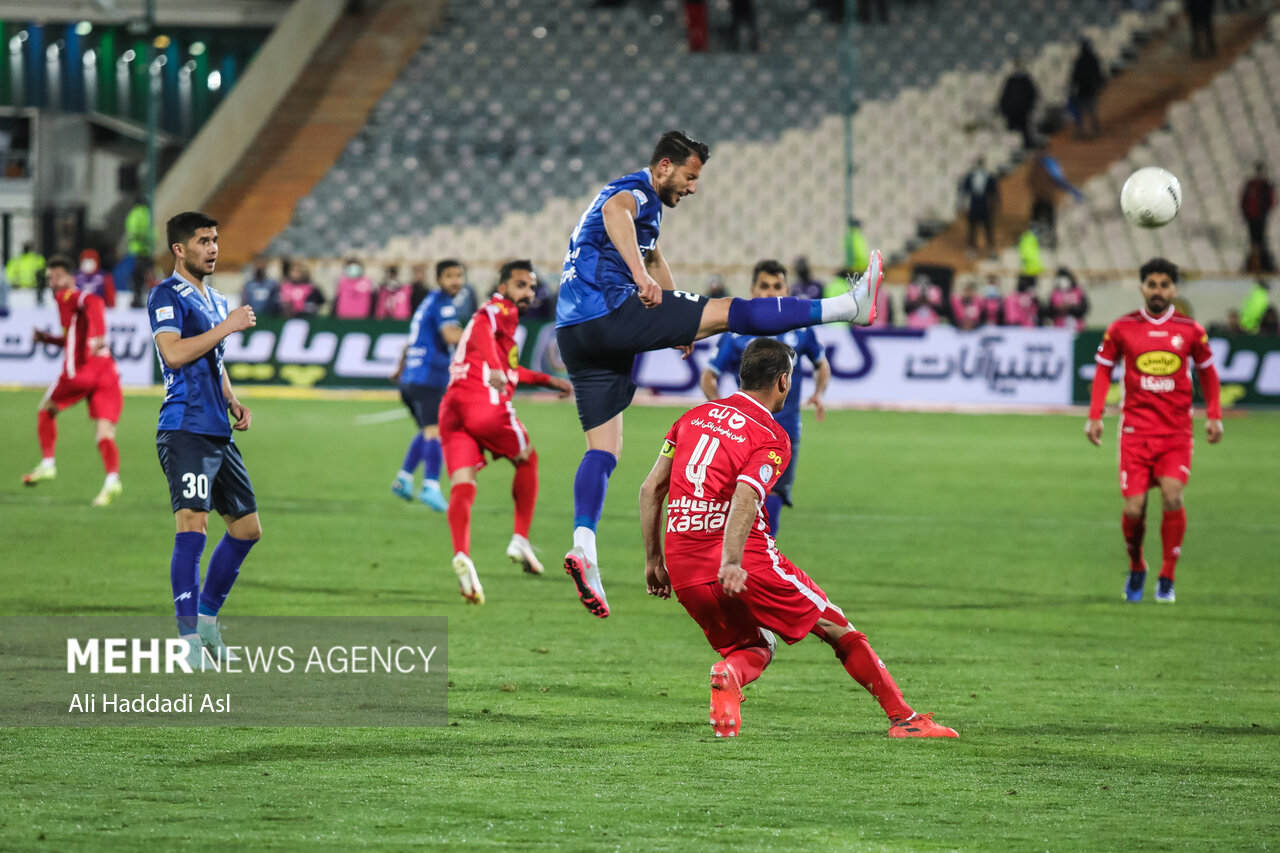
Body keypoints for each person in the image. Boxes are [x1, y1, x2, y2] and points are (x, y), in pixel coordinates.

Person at [555, 130, 883, 618]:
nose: (692, 187)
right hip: (609, 311)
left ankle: (585, 545)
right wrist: (643, 282)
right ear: (664, 166)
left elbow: (651, 253)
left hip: (573, 331)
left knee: (603, 451)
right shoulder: (635, 191)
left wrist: (671, 311)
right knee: (733, 311)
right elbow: (616, 216)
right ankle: (847, 306)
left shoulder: (648, 212)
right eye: (689, 176)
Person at [640, 337, 957, 739]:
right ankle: (905, 720)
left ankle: (729, 674)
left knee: (756, 646)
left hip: (683, 568)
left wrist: (654, 563)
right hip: (742, 562)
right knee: (838, 628)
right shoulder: (771, 436)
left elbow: (651, 488)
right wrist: (732, 561)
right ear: (784, 382)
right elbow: (745, 494)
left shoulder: (691, 418)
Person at [148, 211, 261, 664]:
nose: (212, 248)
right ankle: (188, 639)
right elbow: (173, 353)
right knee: (193, 526)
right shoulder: (165, 294)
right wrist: (228, 326)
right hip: (184, 427)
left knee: (247, 529)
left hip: (216, 427)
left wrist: (232, 399)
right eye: (202, 241)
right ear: (180, 249)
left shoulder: (214, 299)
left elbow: (213, 358)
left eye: (215, 239)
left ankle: (209, 622)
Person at [1086, 258, 1222, 604]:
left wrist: (1214, 415)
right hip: (1135, 431)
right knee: (1134, 508)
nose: (1158, 291)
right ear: (1141, 287)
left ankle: (1167, 576)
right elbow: (1103, 371)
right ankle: (1136, 566)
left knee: (1173, 495)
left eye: (1164, 285)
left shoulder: (1190, 330)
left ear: (1174, 289)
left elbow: (1207, 372)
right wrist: (1095, 414)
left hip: (1176, 432)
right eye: (1152, 284)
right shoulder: (1121, 328)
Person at [439, 260, 573, 603]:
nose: (527, 293)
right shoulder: (499, 309)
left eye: (531, 287)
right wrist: (496, 369)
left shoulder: (503, 331)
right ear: (503, 285)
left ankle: (462, 555)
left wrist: (550, 381)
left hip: (452, 408)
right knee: (528, 458)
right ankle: (520, 537)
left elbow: (515, 372)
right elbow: (484, 326)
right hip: (481, 401)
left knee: (463, 484)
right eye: (520, 285)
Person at [699, 260, 830, 536]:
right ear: (753, 290)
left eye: (777, 286)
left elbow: (822, 364)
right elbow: (708, 376)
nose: (771, 293)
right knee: (737, 500)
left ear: (786, 289)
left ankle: (757, 564)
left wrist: (819, 393)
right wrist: (721, 406)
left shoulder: (802, 330)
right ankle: (736, 564)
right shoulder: (736, 332)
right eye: (764, 286)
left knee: (773, 499)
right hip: (742, 434)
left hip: (785, 430)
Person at [20, 255, 124, 506]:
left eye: (57, 276)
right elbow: (72, 337)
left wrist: (99, 334)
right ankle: (112, 480)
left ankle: (48, 463)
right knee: (105, 434)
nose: (52, 282)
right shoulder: (67, 304)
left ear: (70, 278)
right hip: (107, 373)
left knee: (46, 409)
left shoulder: (68, 296)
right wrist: (48, 339)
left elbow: (95, 300)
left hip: (81, 372)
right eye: (50, 277)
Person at [389, 258, 467, 511]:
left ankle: (403, 479)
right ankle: (431, 486)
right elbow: (450, 335)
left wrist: (400, 369)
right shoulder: (443, 303)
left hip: (410, 379)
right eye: (450, 276)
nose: (455, 281)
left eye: (459, 276)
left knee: (427, 430)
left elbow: (410, 342)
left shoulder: (428, 303)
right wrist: (483, 335)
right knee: (436, 432)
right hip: (429, 377)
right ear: (439, 280)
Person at [1028, 142, 1083, 248]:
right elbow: (1031, 181)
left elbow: (1059, 180)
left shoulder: (1050, 163)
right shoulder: (1036, 165)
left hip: (1048, 197)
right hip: (1039, 197)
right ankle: (1036, 240)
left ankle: (1051, 240)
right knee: (1035, 220)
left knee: (1050, 220)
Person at [958, 157, 999, 258]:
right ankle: (972, 248)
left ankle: (990, 248)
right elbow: (964, 191)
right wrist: (962, 204)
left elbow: (994, 191)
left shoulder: (989, 176)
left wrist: (996, 202)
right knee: (972, 228)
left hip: (985, 205)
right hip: (974, 205)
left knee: (988, 227)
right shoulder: (970, 176)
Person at [998, 57, 1038, 149]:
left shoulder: (1026, 80)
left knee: (1024, 133)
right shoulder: (1010, 80)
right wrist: (1003, 109)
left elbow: (1033, 95)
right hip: (1011, 112)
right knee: (1011, 134)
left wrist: (1029, 107)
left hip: (1023, 112)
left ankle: (1026, 149)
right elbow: (1004, 96)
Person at [1069, 38, 1105, 139]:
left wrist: (1072, 87)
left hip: (1084, 90)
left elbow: (1074, 77)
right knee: (1090, 111)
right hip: (1088, 90)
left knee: (1084, 113)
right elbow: (1098, 74)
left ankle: (1085, 132)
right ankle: (1091, 131)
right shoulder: (1091, 59)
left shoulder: (1080, 60)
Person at [1240, 162, 1274, 262]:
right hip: (1251, 216)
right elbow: (1244, 200)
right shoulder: (1250, 185)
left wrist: (1265, 212)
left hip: (1261, 216)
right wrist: (1245, 213)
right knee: (1253, 239)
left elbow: (1270, 201)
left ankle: (1262, 261)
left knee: (1260, 239)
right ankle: (1254, 261)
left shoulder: (1266, 186)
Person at [124, 198, 151, 308]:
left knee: (135, 277)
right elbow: (152, 231)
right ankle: (145, 298)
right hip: (146, 250)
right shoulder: (148, 213)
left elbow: (132, 232)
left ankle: (136, 298)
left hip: (135, 250)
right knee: (145, 276)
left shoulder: (133, 214)